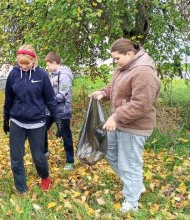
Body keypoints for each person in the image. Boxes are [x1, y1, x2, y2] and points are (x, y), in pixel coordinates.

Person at [90, 38, 161, 213]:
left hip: (134, 126)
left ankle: (132, 203)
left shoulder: (143, 72)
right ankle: (135, 185)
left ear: (129, 54)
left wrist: (116, 116)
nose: (115, 62)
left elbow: (141, 104)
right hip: (120, 123)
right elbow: (115, 87)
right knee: (108, 151)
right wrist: (103, 93)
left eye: (116, 58)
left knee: (130, 163)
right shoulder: (125, 67)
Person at [3, 45, 59, 193]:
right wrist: (5, 117)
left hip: (37, 123)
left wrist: (58, 120)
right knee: (16, 158)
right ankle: (21, 189)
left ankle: (45, 176)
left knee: (38, 157)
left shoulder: (41, 75)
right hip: (17, 122)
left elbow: (50, 99)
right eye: (20, 63)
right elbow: (8, 98)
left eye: (26, 63)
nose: (24, 66)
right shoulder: (14, 74)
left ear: (34, 60)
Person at [44, 52, 75, 171]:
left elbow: (61, 96)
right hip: (50, 110)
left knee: (65, 134)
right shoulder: (51, 75)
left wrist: (47, 97)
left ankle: (70, 160)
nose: (47, 68)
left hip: (62, 111)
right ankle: (44, 152)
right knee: (42, 129)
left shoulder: (65, 77)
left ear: (54, 63)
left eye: (48, 65)